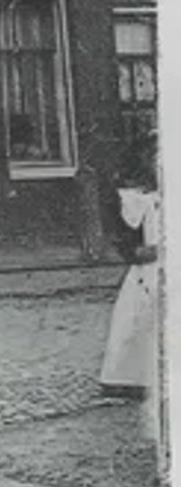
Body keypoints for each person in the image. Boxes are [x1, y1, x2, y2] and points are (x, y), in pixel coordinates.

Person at [101, 133, 162, 438]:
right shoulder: (136, 199)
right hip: (149, 268)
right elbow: (125, 232)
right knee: (137, 318)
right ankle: (131, 376)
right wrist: (135, 252)